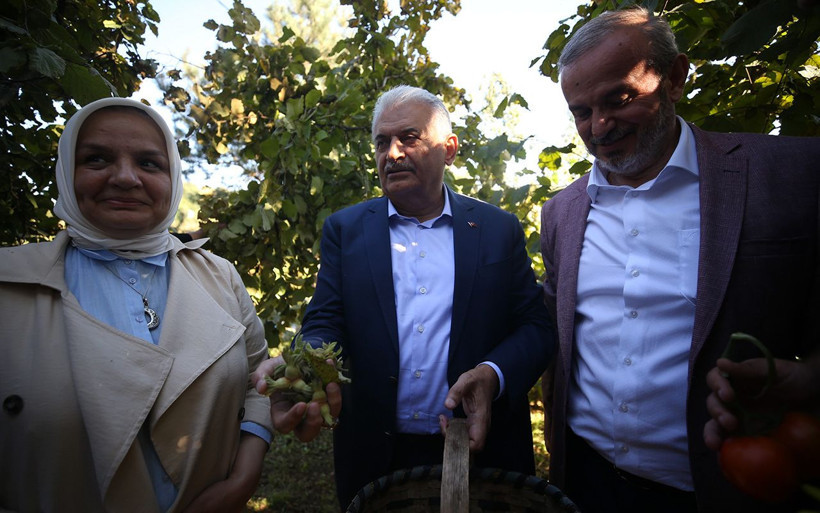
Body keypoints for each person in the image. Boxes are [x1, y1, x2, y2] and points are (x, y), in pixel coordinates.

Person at [538, 7, 820, 513]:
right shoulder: (561, 213)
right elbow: (551, 336)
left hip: (726, 490)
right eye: (581, 111)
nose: (599, 127)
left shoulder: (794, 175)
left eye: (618, 99)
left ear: (674, 78)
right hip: (585, 482)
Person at [253, 85, 556, 509]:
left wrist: (492, 374)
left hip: (481, 451)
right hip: (375, 456)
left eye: (408, 138)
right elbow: (326, 320)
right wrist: (309, 363)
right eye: (381, 142)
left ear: (448, 149)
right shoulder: (347, 230)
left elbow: (536, 328)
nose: (391, 153)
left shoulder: (496, 228)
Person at [0, 97, 274, 512]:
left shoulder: (220, 275)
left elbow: (259, 381)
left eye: (149, 163)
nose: (126, 178)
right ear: (66, 171)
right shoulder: (9, 283)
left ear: (174, 177)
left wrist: (244, 475)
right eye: (96, 159)